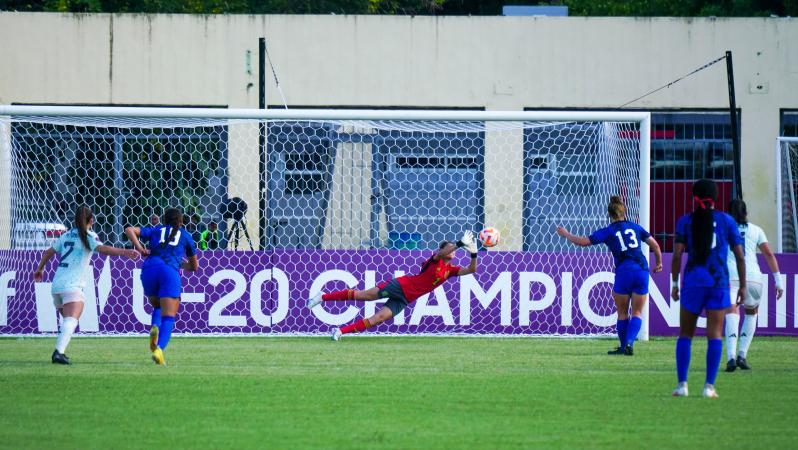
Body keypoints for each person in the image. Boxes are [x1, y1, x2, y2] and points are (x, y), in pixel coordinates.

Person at [307, 231, 479, 341]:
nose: (454, 251)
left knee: (378, 319)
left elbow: (472, 269)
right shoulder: (435, 260)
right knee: (363, 296)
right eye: (451, 248)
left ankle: (340, 332)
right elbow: (441, 253)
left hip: (406, 298)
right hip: (400, 286)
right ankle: (323, 297)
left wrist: (473, 254)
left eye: (455, 249)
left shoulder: (451, 270)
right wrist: (459, 242)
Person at [556, 196, 663, 355]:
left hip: (624, 273)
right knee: (637, 313)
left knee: (622, 313)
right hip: (641, 271)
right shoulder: (636, 227)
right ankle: (629, 344)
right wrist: (659, 262)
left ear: (609, 214)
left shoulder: (608, 231)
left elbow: (583, 242)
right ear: (624, 212)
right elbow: (654, 244)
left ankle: (623, 347)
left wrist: (566, 234)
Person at [33, 205, 139, 364]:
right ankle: (58, 353)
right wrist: (125, 252)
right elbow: (103, 249)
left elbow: (48, 252)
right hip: (72, 286)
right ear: (92, 220)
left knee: (68, 321)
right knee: (71, 320)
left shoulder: (66, 235)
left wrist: (40, 269)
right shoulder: (89, 236)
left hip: (56, 286)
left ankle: (61, 350)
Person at [671, 179, 745, 398]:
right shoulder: (727, 221)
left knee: (685, 334)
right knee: (714, 335)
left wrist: (675, 283)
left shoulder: (685, 221)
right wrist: (742, 285)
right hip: (718, 283)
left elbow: (676, 256)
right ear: (716, 198)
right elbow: (740, 257)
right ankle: (709, 387)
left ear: (695, 198)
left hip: (693, 282)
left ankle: (682, 385)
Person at [125, 207, 199, 365]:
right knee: (169, 317)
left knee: (158, 306)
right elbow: (194, 267)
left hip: (149, 269)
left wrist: (139, 248)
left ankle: (154, 327)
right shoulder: (186, 236)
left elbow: (129, 229)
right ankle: (159, 350)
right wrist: (180, 264)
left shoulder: (155, 230)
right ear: (181, 222)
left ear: (164, 220)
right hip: (169, 272)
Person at [724, 199, 784, 372]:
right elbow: (769, 254)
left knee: (732, 312)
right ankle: (742, 354)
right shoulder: (756, 230)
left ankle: (731, 357)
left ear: (729, 213)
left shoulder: (724, 229)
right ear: (746, 213)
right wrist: (778, 281)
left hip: (732, 276)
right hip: (754, 278)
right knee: (751, 313)